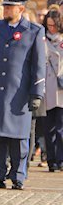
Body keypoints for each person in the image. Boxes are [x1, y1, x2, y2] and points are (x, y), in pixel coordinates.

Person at [0, 0, 45, 190]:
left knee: (18, 139)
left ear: (21, 9)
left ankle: (18, 176)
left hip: (19, 93)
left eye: (9, 7)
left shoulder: (33, 31)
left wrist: (36, 93)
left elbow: (38, 65)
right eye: (4, 6)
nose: (5, 10)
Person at [40, 10, 63, 172]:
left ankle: (61, 159)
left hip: (61, 88)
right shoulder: (41, 40)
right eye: (49, 26)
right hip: (47, 88)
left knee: (61, 128)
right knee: (48, 128)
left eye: (54, 26)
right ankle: (51, 160)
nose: (52, 29)